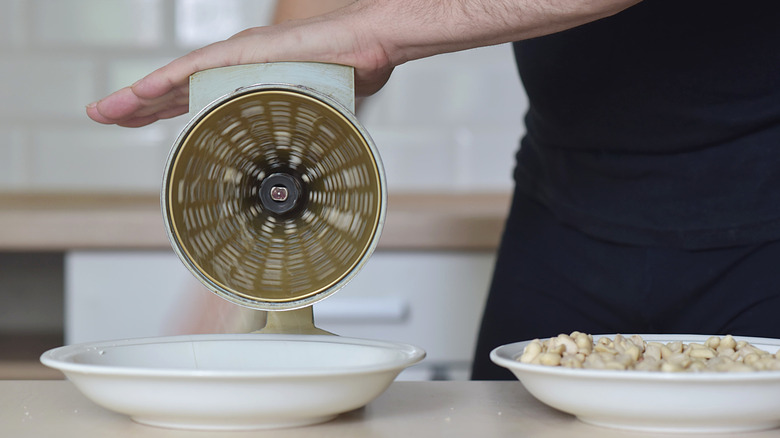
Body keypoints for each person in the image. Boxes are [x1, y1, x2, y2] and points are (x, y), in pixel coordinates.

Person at [86, 0, 780, 380]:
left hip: (761, 222)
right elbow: (318, 19)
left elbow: (356, 33)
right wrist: (236, 274)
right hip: (562, 219)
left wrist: (376, 34)